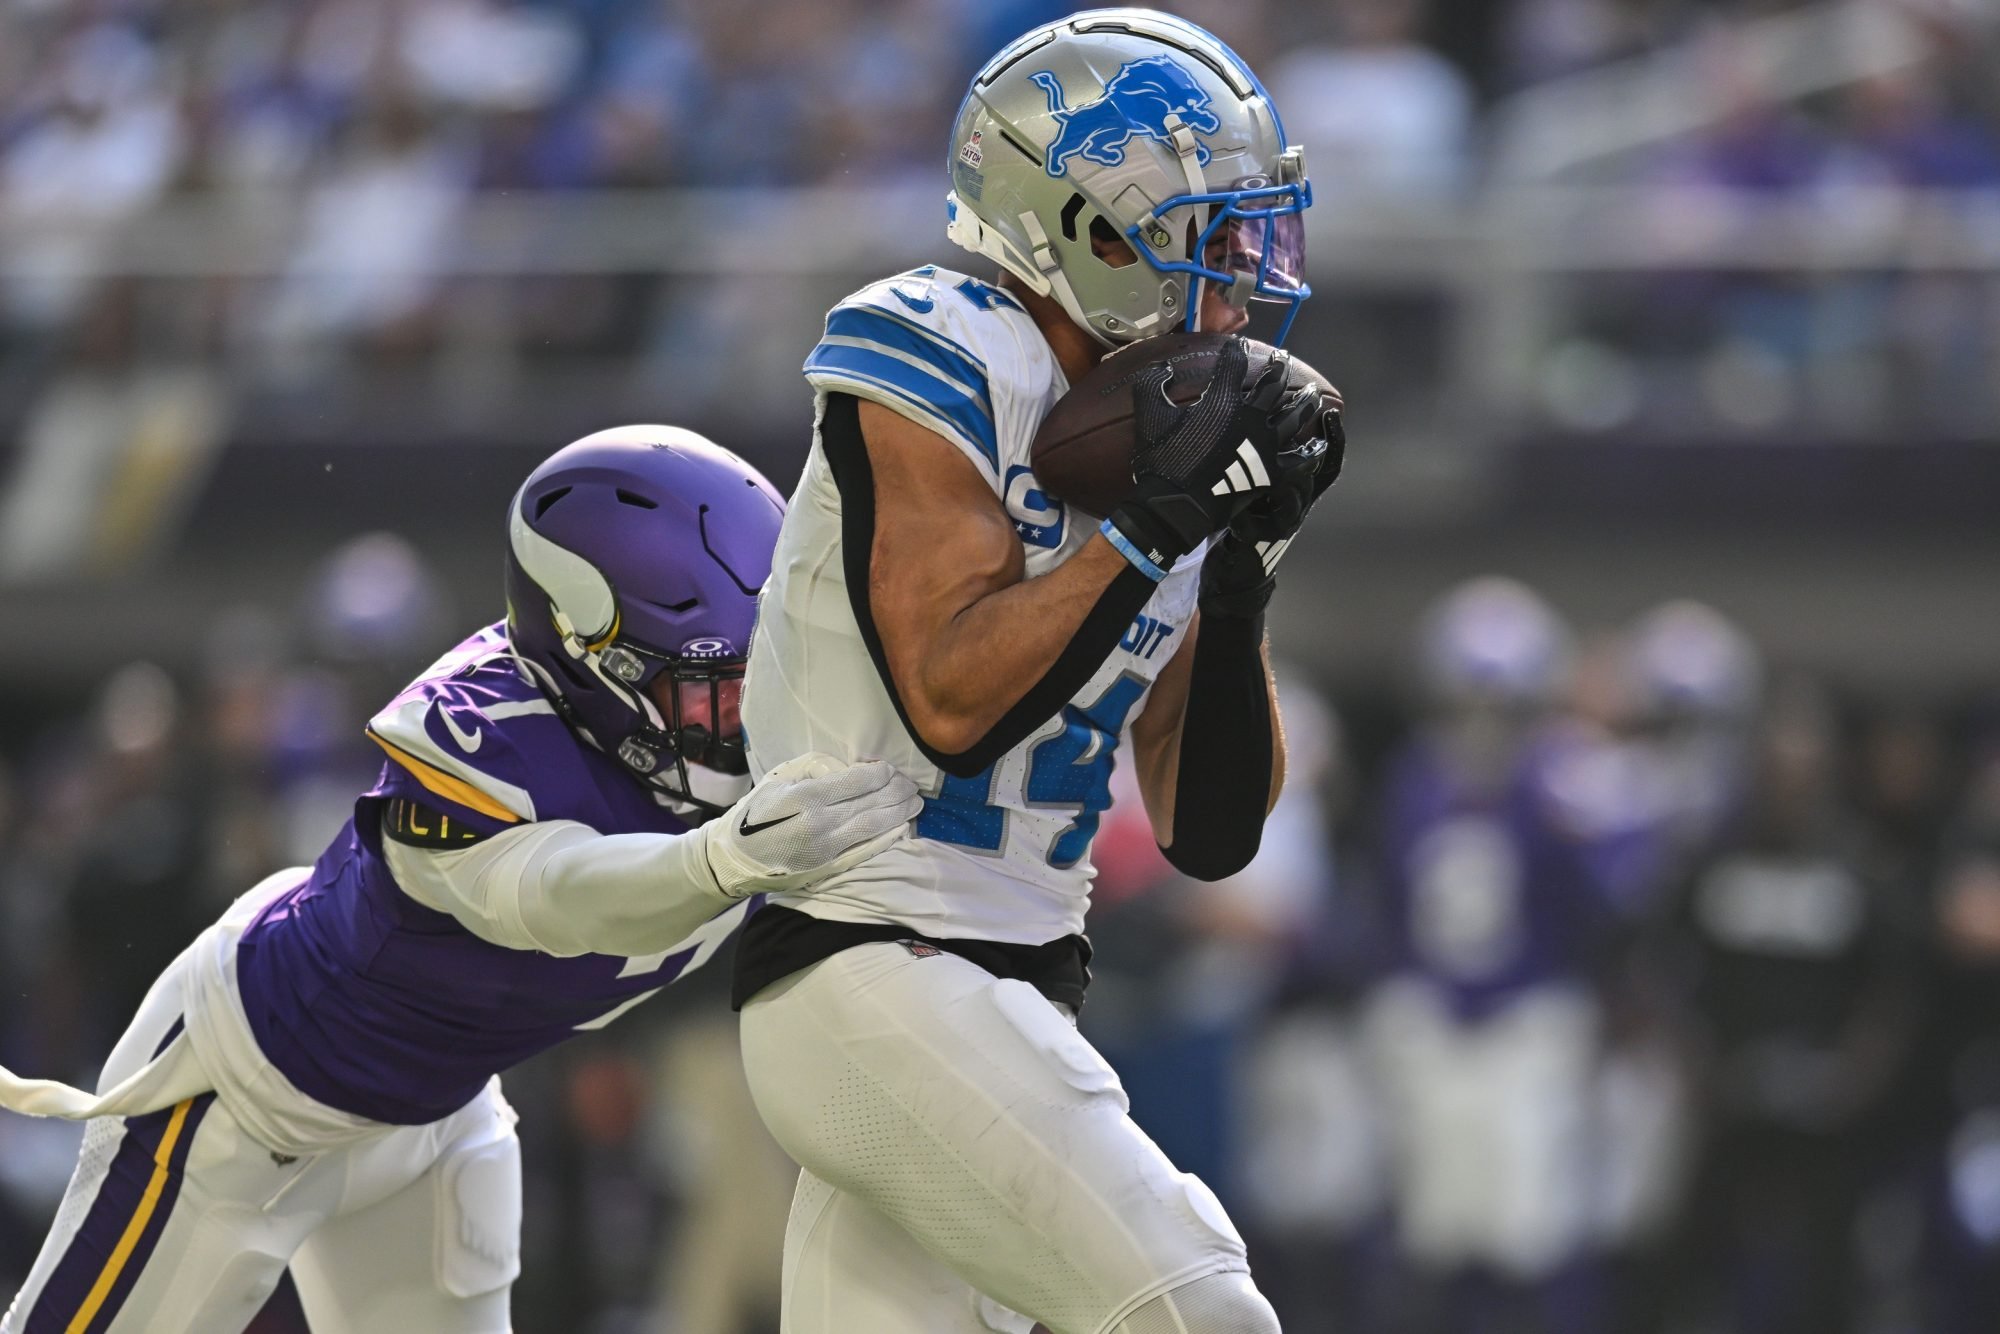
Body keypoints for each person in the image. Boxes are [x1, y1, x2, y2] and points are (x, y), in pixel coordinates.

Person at [0, 425, 921, 1334]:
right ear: (600, 661)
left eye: (767, 668)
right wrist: (724, 861)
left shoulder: (754, 730)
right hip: (245, 1099)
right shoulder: (480, 742)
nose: (755, 714)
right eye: (718, 686)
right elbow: (564, 898)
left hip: (436, 1122)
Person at [731, 11, 1342, 1333]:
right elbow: (950, 701)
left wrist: (1237, 577)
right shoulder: (941, 343)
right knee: (1198, 1309)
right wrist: (1154, 527)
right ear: (1089, 227)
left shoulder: (1171, 425)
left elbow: (1210, 829)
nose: (1242, 283)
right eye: (1212, 236)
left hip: (1016, 984)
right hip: (872, 959)